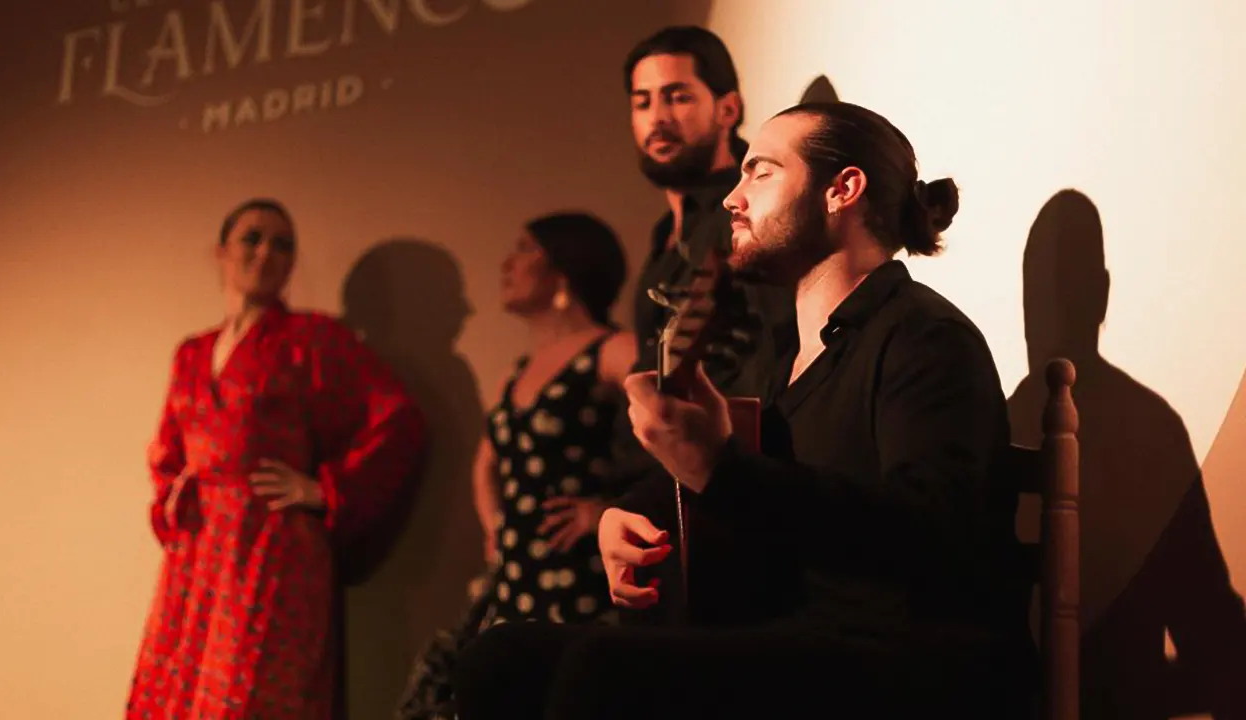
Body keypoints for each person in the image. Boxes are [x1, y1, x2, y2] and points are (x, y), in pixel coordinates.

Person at [452, 102, 1037, 719]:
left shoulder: (925, 336)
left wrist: (720, 470)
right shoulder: (783, 360)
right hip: (798, 638)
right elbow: (746, 484)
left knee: (601, 671)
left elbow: (930, 535)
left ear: (843, 190)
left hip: (913, 662)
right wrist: (624, 516)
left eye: (760, 172)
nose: (733, 199)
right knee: (502, 655)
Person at [125, 199, 426, 720]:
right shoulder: (192, 353)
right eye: (253, 238)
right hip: (196, 555)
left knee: (248, 697)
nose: (267, 252)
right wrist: (175, 497)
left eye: (282, 244)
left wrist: (325, 489)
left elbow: (396, 418)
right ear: (221, 252)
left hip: (271, 550)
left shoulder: (312, 339)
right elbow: (167, 448)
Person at [398, 212, 636, 720]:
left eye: (524, 249)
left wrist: (606, 511)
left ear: (563, 269)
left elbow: (673, 436)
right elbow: (487, 460)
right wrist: (495, 528)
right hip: (516, 577)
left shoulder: (612, 351)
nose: (507, 263)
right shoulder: (520, 370)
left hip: (580, 576)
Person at [611, 24, 797, 625]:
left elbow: (779, 359)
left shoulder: (744, 220)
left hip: (727, 500)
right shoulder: (664, 236)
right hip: (659, 499)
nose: (656, 117)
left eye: (677, 96)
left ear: (728, 109)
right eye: (642, 102)